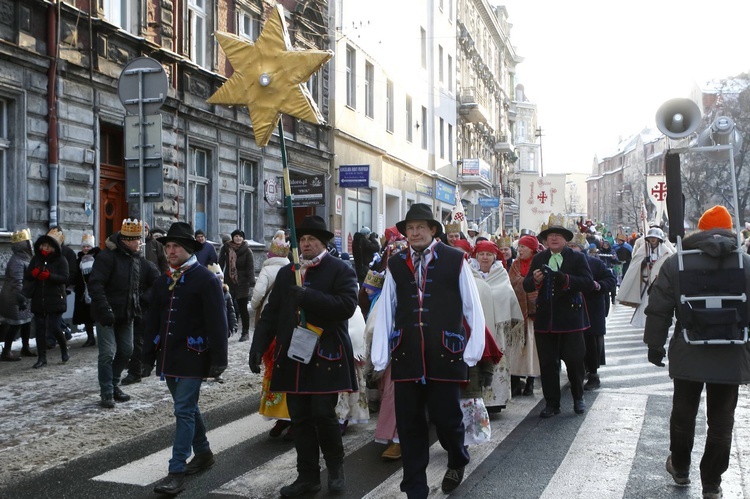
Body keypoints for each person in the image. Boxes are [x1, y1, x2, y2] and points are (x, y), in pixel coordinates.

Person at [371, 203, 485, 498]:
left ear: (433, 230)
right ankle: (415, 488)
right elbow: (387, 308)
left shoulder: (455, 259)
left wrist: (473, 351)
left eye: (421, 227)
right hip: (407, 354)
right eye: (410, 228)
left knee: (446, 418)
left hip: (446, 353)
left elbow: (472, 305)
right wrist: (381, 354)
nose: (415, 232)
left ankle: (457, 456)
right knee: (409, 426)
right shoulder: (396, 263)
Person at [248, 215, 358, 498]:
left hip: (325, 355)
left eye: (312, 240)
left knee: (323, 415)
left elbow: (346, 306)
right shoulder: (288, 272)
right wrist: (258, 346)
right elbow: (272, 313)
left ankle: (336, 470)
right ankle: (307, 476)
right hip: (293, 358)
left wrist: (308, 297)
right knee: (300, 419)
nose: (306, 244)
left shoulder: (340, 269)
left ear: (323, 242)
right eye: (303, 240)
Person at [644, 205, 750, 499]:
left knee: (683, 412)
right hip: (731, 352)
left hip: (689, 349)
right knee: (721, 421)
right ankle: (712, 483)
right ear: (730, 231)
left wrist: (654, 344)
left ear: (700, 231)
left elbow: (659, 307)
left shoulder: (677, 263)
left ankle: (679, 467)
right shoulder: (746, 264)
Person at [143, 222, 228, 496]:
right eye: (167, 247)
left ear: (188, 249)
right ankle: (203, 453)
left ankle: (176, 470)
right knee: (188, 407)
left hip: (195, 355)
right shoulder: (164, 279)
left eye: (175, 246)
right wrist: (145, 356)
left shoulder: (205, 279)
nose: (170, 251)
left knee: (182, 410)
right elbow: (152, 321)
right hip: (168, 356)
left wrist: (219, 358)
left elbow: (218, 321)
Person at [522, 216, 594, 418]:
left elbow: (588, 283)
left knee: (574, 361)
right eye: (550, 236)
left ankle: (578, 397)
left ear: (565, 239)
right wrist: (534, 281)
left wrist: (567, 280)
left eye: (557, 235)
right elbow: (526, 284)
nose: (553, 239)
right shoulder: (539, 258)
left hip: (570, 319)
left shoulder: (577, 258)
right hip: (545, 320)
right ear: (545, 241)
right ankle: (552, 403)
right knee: (548, 364)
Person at [87, 219, 159, 408]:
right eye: (137, 240)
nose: (140, 243)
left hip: (128, 313)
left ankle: (113, 383)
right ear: (127, 240)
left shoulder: (136, 258)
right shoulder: (107, 257)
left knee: (127, 351)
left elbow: (151, 281)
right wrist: (105, 309)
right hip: (106, 314)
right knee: (106, 353)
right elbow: (95, 285)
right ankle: (107, 392)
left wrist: (141, 300)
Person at [249, 230, 292, 438]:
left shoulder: (267, 270)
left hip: (271, 321)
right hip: (285, 324)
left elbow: (258, 294)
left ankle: (281, 414)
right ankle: (287, 415)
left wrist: (253, 307)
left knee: (273, 369)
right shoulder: (293, 270)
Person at [471, 240, 523, 412]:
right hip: (475, 329)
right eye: (481, 254)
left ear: (495, 257)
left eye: (488, 254)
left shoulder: (501, 274)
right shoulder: (469, 274)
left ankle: (496, 401)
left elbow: (508, 295)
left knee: (497, 364)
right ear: (476, 256)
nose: (484, 258)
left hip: (498, 330)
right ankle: (476, 398)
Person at [122, 222, 167, 385]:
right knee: (128, 341)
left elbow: (157, 282)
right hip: (125, 307)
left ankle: (139, 368)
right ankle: (134, 366)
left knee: (140, 338)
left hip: (144, 307)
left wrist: (142, 297)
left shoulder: (148, 265)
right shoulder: (121, 263)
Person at [570, 234, 616, 391]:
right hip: (571, 311)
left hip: (591, 310)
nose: (572, 250)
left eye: (574, 247)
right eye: (569, 247)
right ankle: (577, 373)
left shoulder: (595, 263)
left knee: (591, 344)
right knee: (573, 346)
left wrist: (598, 286)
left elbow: (611, 280)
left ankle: (593, 375)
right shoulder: (563, 263)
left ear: (582, 248)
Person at [22, 229, 69, 368]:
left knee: (54, 326)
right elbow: (28, 276)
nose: (44, 248)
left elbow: (65, 278)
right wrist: (33, 273)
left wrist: (50, 276)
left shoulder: (61, 260)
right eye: (43, 245)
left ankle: (64, 348)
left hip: (56, 298)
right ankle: (42, 358)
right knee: (40, 329)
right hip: (39, 298)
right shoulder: (36, 259)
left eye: (47, 246)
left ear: (53, 247)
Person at [618, 227, 674, 327]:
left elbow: (668, 265)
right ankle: (646, 324)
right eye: (651, 237)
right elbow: (635, 264)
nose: (653, 239)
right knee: (645, 305)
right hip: (646, 283)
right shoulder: (643, 250)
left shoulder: (666, 251)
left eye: (655, 238)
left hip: (659, 284)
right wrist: (644, 262)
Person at [508, 234, 542, 396]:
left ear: (532, 249)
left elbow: (538, 284)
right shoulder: (515, 264)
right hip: (518, 313)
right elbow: (511, 282)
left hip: (533, 315)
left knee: (531, 350)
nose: (520, 250)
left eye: (523, 247)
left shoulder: (538, 263)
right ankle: (515, 381)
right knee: (516, 349)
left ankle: (530, 381)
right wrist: (524, 282)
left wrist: (526, 283)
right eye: (519, 246)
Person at [0, 229, 35, 360]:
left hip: (22, 297)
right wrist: (22, 299)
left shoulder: (24, 258)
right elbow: (17, 282)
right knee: (15, 324)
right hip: (14, 297)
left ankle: (25, 347)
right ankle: (6, 352)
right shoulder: (17, 261)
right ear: (25, 245)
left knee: (26, 322)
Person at [218, 229, 256, 342]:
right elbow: (220, 263)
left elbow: (250, 268)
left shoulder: (248, 251)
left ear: (243, 238)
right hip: (229, 281)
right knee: (228, 306)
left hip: (242, 283)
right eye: (236, 236)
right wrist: (218, 277)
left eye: (240, 236)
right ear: (232, 238)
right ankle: (227, 329)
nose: (238, 238)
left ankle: (245, 332)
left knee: (242, 308)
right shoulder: (226, 248)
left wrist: (251, 282)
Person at [72, 233, 100, 348]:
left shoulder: (98, 257)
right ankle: (90, 337)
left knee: (97, 315)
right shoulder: (78, 259)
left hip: (95, 290)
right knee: (86, 316)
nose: (86, 249)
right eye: (84, 246)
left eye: (88, 246)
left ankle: (101, 337)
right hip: (83, 291)